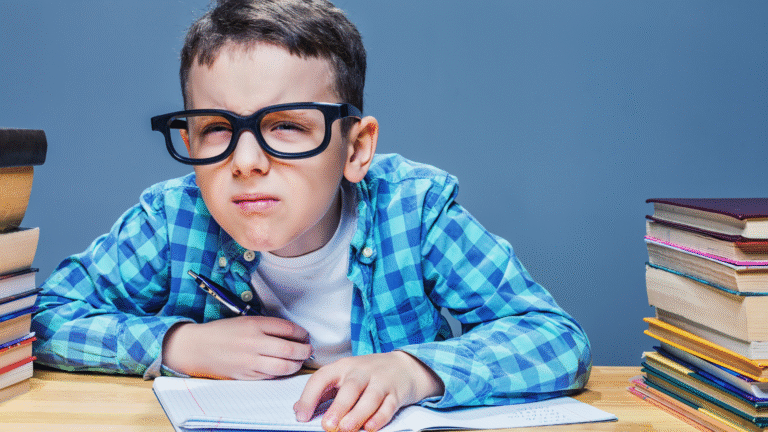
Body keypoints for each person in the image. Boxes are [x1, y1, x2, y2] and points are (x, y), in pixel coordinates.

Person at [32, 0, 591, 431]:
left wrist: (413, 371)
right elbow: (44, 319)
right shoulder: (172, 218)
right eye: (216, 129)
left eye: (288, 127)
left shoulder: (413, 213)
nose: (246, 162)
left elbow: (556, 339)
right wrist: (179, 345)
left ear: (355, 149)